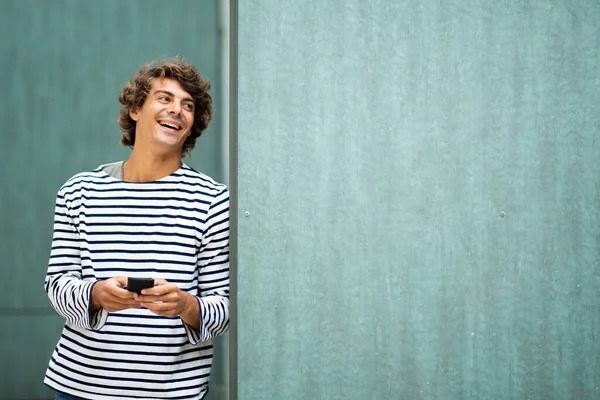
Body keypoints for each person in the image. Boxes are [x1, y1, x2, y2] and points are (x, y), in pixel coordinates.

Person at [43, 57, 230, 400]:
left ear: (193, 124)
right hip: (80, 390)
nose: (177, 109)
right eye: (164, 98)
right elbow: (57, 285)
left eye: (187, 105)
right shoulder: (78, 191)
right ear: (135, 109)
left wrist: (185, 305)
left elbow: (223, 309)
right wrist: (96, 295)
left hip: (173, 394)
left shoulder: (213, 200)